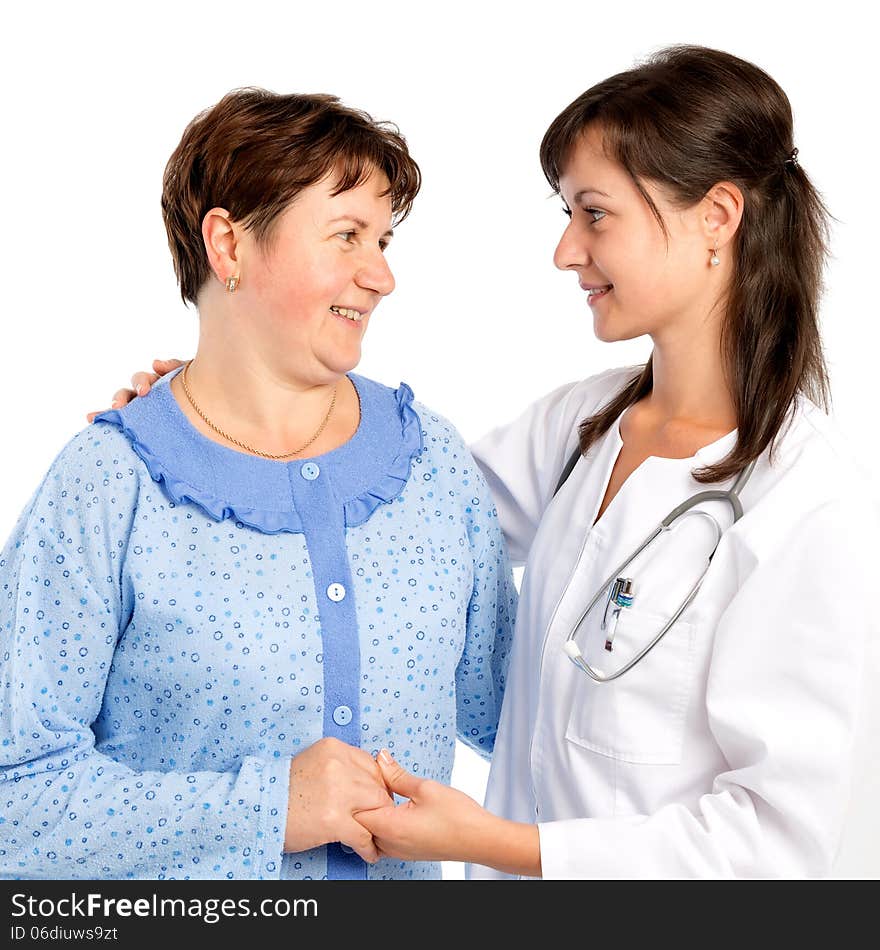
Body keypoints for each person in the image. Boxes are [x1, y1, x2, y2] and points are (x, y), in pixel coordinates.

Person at [98, 45, 875, 878]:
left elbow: (780, 843)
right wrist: (215, 412)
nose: (565, 251)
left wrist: (494, 844)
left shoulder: (807, 502)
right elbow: (383, 508)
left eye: (594, 213)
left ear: (717, 217)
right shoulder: (579, 427)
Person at [0, 89, 516, 881]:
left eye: (382, 240)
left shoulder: (432, 465)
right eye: (346, 235)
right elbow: (16, 799)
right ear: (228, 245)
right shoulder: (108, 485)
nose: (380, 276)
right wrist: (267, 808)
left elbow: (527, 725)